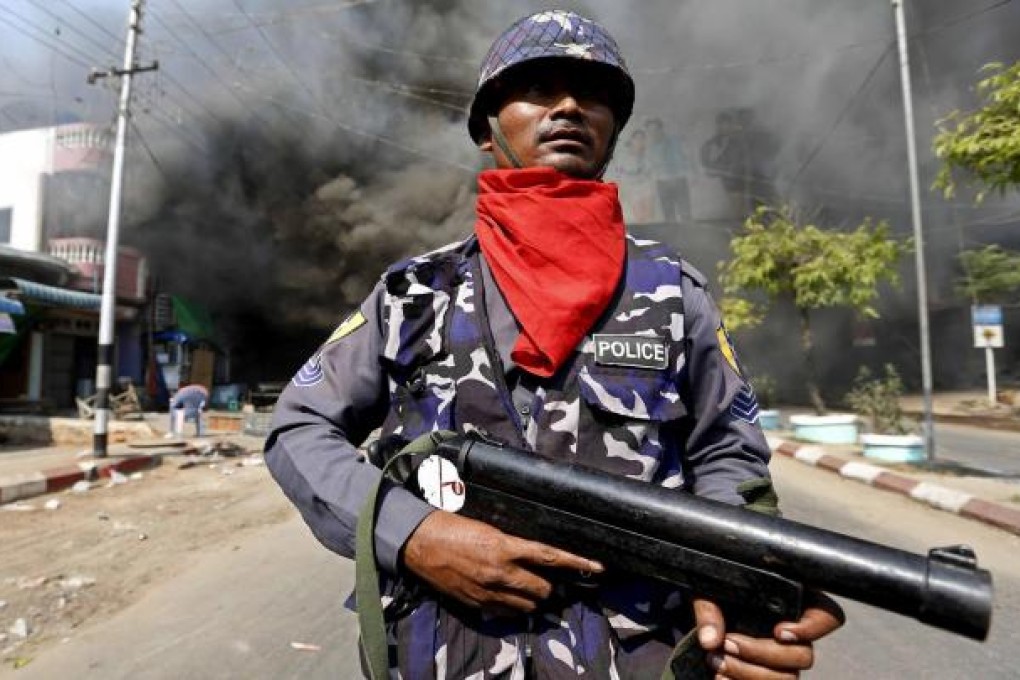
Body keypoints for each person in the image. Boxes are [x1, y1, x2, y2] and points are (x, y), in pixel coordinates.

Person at [266, 10, 842, 679]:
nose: (568, 105)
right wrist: (414, 535)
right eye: (538, 88)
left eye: (592, 93)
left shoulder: (673, 293)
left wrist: (734, 584)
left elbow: (727, 454)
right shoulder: (414, 293)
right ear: (487, 129)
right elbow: (299, 427)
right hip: (447, 654)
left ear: (613, 130)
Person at [645, 118, 692, 223]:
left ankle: (689, 237)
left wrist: (692, 174)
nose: (653, 133)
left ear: (661, 129)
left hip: (679, 180)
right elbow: (650, 168)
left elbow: (688, 157)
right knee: (668, 214)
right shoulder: (650, 148)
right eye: (650, 131)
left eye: (656, 130)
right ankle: (672, 237)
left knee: (685, 213)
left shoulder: (676, 141)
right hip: (662, 183)